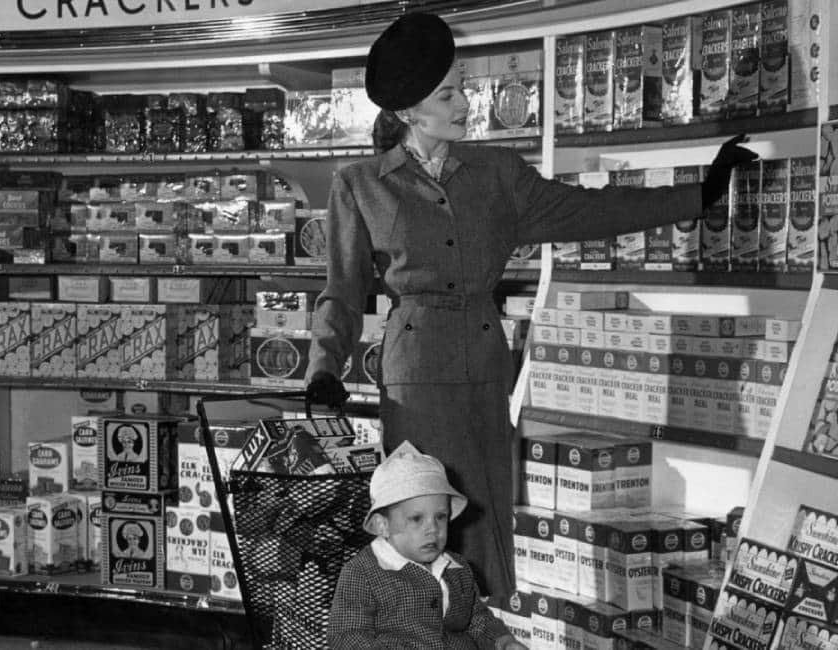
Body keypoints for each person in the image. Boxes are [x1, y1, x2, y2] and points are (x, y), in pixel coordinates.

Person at [306, 12, 758, 598]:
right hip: (415, 377)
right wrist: (322, 367)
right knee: (421, 518)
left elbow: (589, 211)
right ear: (409, 113)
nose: (466, 103)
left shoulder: (498, 175)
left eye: (462, 87)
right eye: (449, 94)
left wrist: (700, 193)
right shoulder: (360, 183)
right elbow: (341, 290)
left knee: (482, 507)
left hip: (489, 366)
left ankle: (479, 630)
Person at [327, 441, 527, 650]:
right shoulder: (362, 574)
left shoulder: (456, 568)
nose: (432, 529)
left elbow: (476, 619)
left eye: (440, 517)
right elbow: (346, 637)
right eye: (416, 519)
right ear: (383, 525)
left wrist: (503, 642)